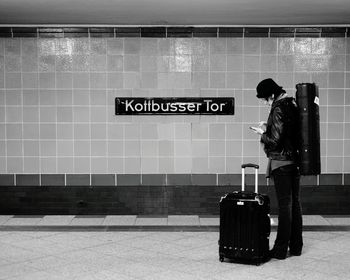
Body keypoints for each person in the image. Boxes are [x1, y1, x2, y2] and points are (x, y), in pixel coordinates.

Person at [251, 78, 303, 260]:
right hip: (294, 161)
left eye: (265, 99)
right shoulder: (292, 104)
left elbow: (275, 140)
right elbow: (287, 133)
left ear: (272, 94)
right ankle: (296, 246)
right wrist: (269, 127)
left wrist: (262, 134)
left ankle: (280, 249)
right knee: (294, 204)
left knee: (285, 207)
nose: (265, 103)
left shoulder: (279, 107)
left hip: (281, 163)